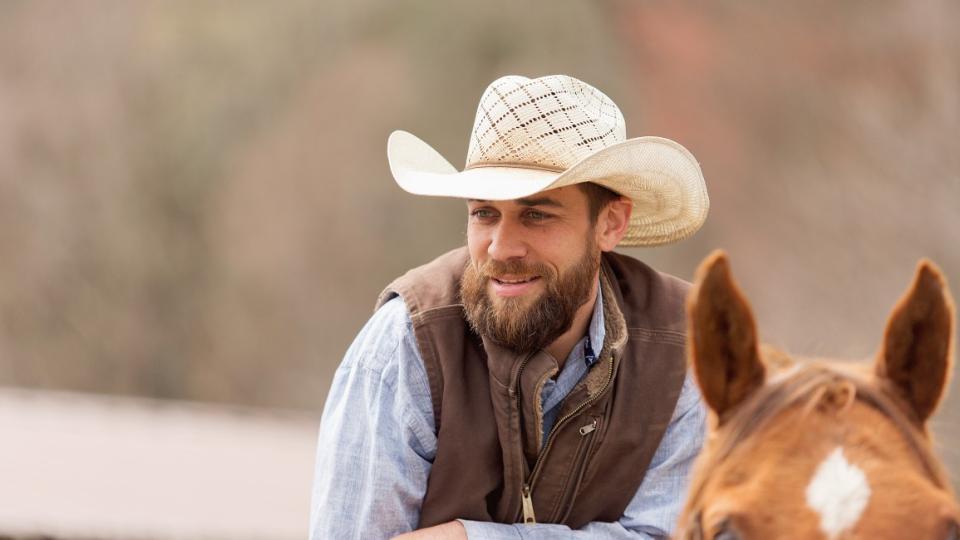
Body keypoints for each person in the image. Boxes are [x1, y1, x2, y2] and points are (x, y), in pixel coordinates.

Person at [310, 74, 710, 539]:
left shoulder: (682, 348)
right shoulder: (406, 344)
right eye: (484, 213)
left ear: (611, 223)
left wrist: (470, 538)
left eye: (536, 214)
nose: (501, 248)